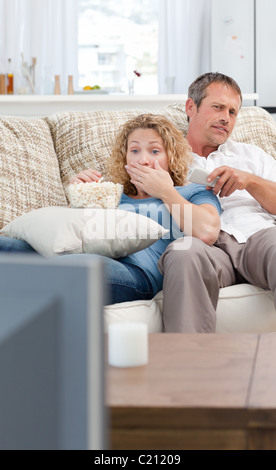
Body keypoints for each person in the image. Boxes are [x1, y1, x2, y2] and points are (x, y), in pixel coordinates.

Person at [157, 72, 276, 333]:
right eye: (218, 107)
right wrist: (82, 181)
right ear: (191, 107)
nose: (226, 117)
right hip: (207, 247)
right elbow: (122, 188)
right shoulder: (163, 156)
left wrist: (250, 181)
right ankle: (190, 364)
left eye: (233, 112)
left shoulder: (252, 156)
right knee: (181, 252)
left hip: (259, 239)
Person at [69, 113, 221, 304]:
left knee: (70, 269)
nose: (143, 160)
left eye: (155, 151)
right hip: (95, 257)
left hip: (139, 274)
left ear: (171, 156)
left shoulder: (191, 191)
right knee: (19, 248)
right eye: (134, 151)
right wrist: (77, 199)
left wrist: (166, 192)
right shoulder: (112, 194)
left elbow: (207, 232)